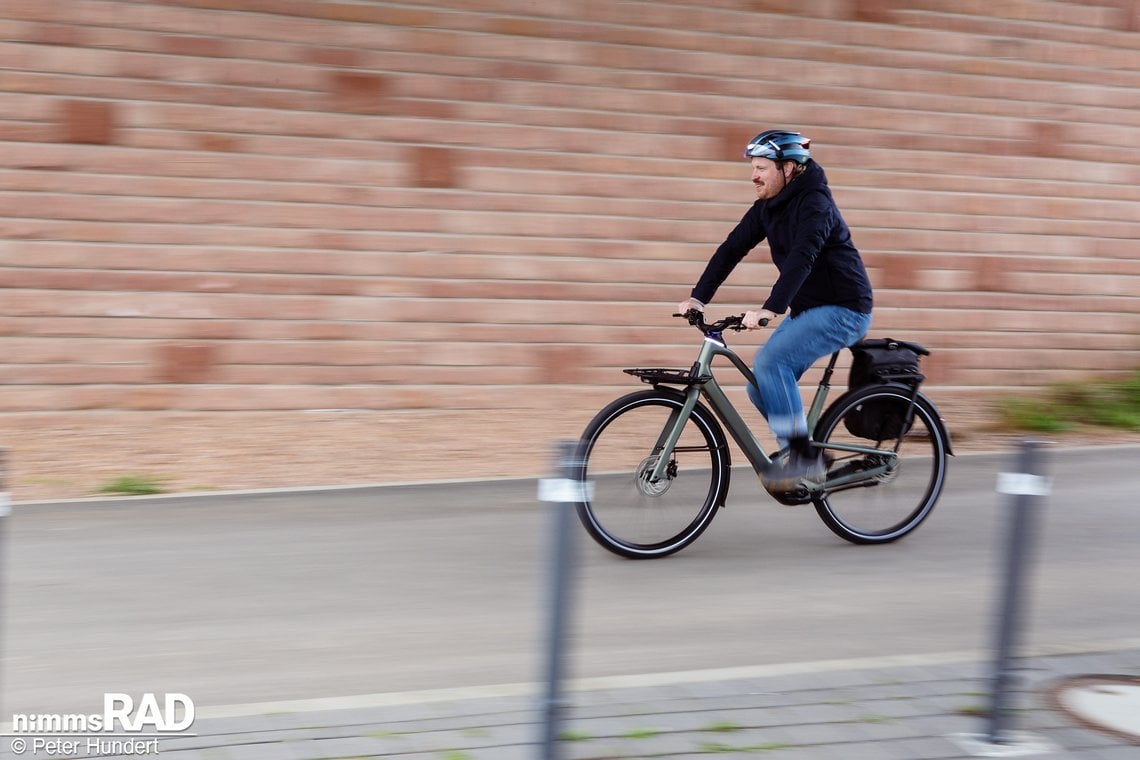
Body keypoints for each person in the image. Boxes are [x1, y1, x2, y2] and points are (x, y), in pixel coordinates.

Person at [676, 129, 873, 493]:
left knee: (771, 365)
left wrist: (770, 309)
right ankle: (809, 455)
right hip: (809, 309)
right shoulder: (768, 207)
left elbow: (804, 255)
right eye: (753, 167)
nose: (754, 175)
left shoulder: (816, 204)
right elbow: (731, 249)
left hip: (844, 308)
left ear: (789, 169)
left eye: (762, 167)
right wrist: (699, 297)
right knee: (760, 388)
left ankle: (801, 458)